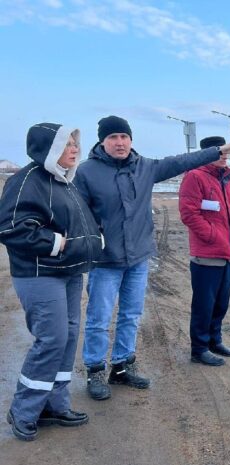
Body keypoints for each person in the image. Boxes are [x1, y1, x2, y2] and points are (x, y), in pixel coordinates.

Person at [75, 116, 230, 400]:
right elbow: (78, 213)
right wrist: (94, 239)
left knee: (131, 315)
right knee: (98, 318)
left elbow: (181, 161)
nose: (120, 142)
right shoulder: (87, 172)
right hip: (106, 261)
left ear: (131, 140)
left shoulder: (145, 168)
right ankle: (94, 370)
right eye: (113, 137)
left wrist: (218, 151)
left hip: (138, 258)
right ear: (102, 141)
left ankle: (122, 366)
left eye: (124, 137)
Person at [0, 123, 103, 441]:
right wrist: (58, 243)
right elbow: (12, 228)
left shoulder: (65, 181)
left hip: (69, 272)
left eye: (75, 143)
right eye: (67, 143)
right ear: (48, 147)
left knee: (68, 338)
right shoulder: (27, 180)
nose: (75, 148)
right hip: (40, 273)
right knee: (52, 339)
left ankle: (54, 405)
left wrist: (93, 237)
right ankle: (24, 410)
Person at [178, 136, 230, 366]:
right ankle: (199, 348)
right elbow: (189, 214)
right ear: (208, 153)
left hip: (227, 251)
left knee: (220, 302)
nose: (225, 155)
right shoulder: (194, 177)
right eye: (221, 152)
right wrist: (213, 236)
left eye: (226, 152)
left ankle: (215, 340)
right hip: (206, 254)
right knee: (204, 304)